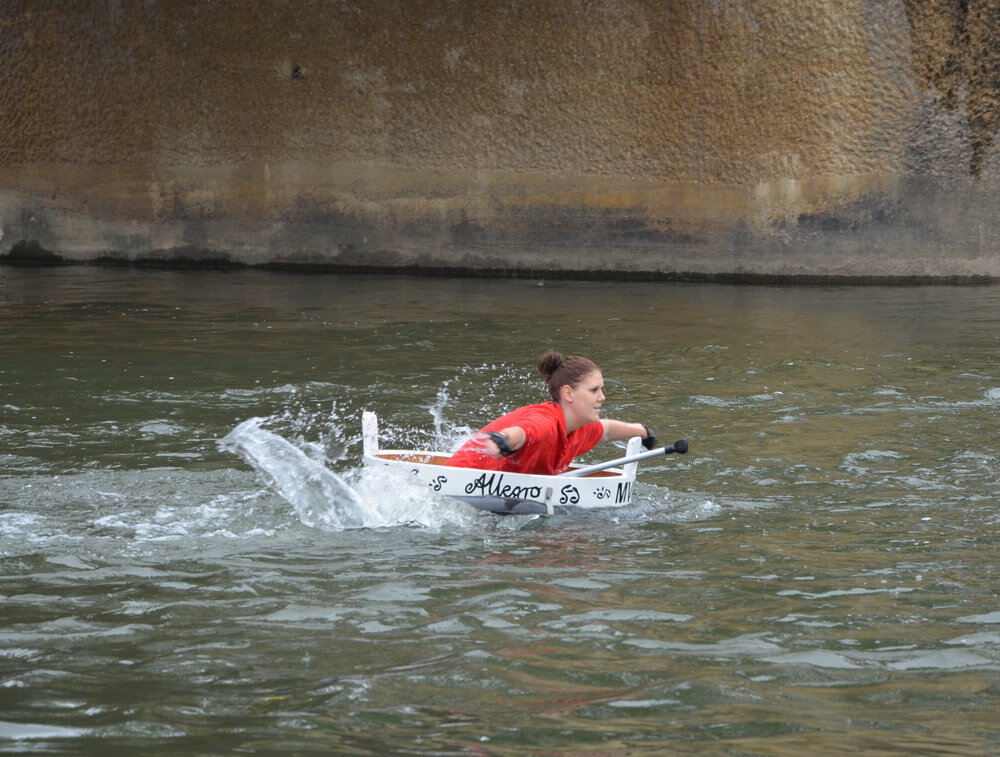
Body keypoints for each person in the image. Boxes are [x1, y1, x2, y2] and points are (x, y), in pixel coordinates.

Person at [444, 350, 657, 475]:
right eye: (594, 390)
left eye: (601, 389)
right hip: (454, 486)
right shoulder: (545, 422)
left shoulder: (581, 429)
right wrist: (503, 440)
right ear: (568, 393)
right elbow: (523, 432)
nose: (602, 397)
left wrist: (642, 431)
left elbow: (608, 430)